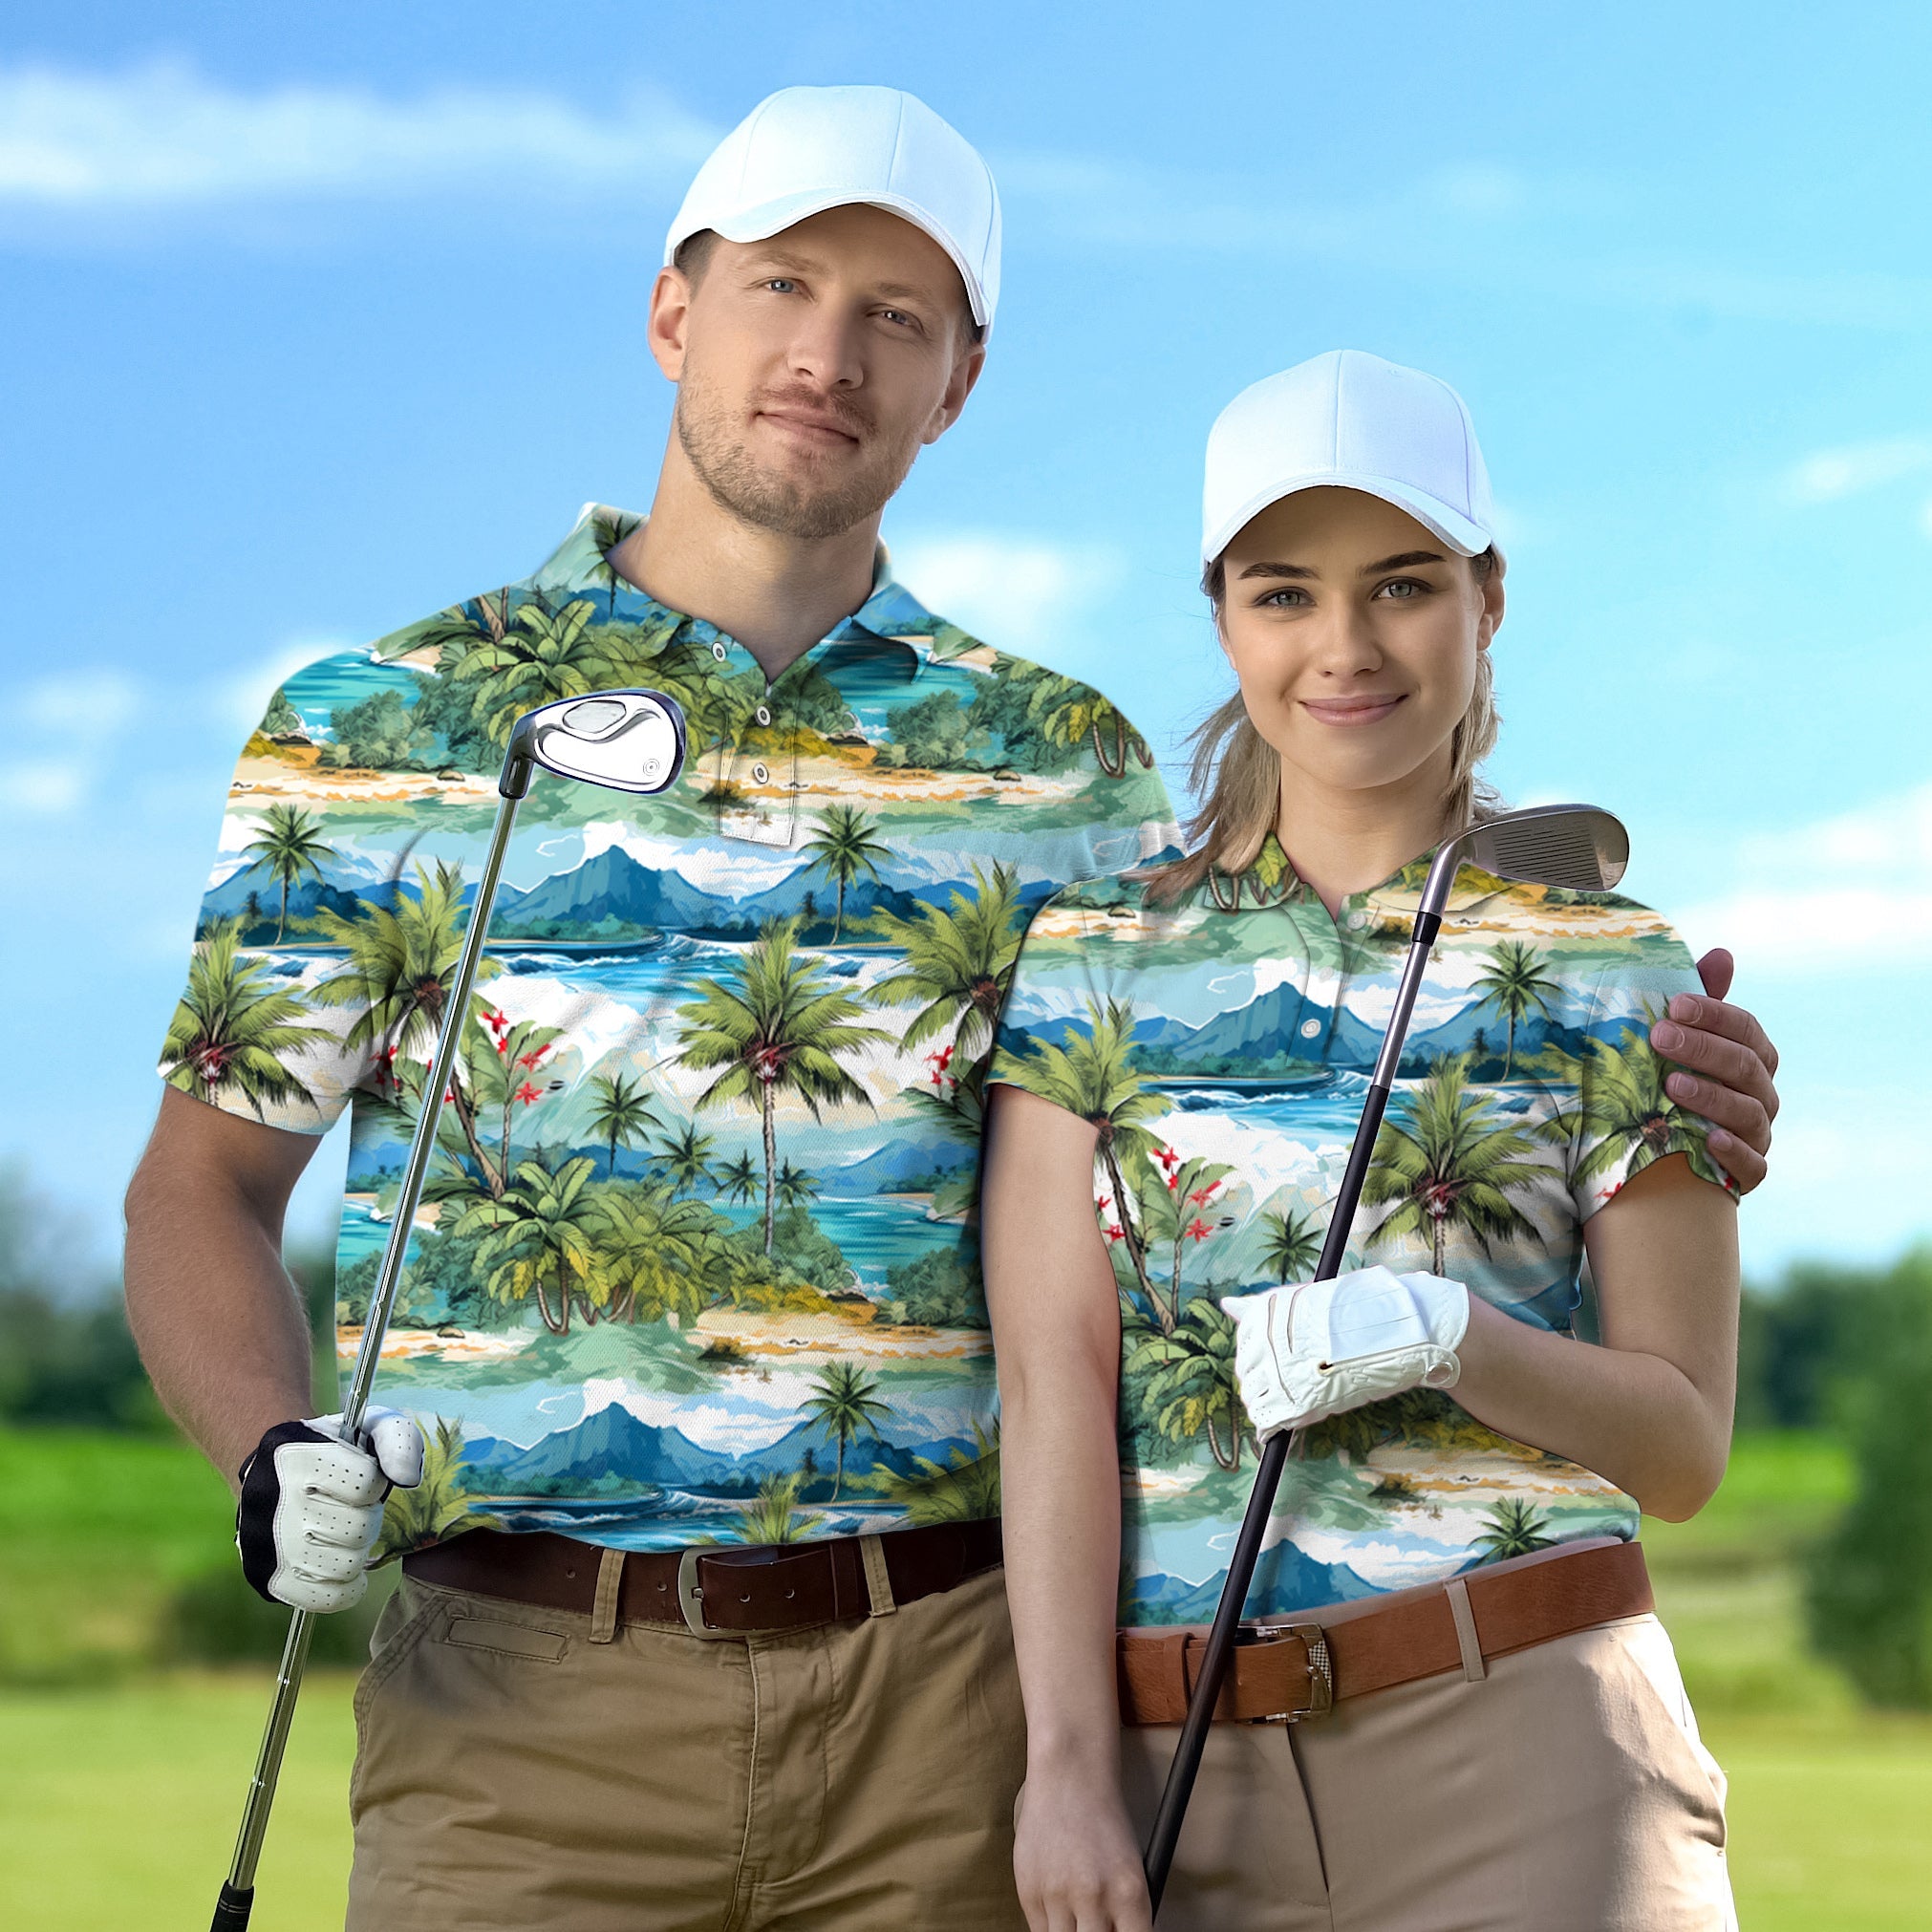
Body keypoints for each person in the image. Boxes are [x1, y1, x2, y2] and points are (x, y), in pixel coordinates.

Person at [118, 80, 1778, 1928]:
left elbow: (1257, 1076)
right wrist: (269, 1452)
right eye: (781, 286)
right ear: (674, 309)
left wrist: (1648, 1065)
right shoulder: (378, 726)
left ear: (959, 378)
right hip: (511, 1704)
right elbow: (201, 1190)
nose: (827, 353)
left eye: (894, 316)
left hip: (948, 1701)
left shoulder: (1060, 766)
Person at [984, 351, 1751, 1930]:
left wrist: (1442, 1334)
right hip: (1179, 1770)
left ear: (1485, 598)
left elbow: (1678, 1449)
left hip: (1531, 1735)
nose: (1342, 647)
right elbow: (1052, 1383)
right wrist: (1062, 1762)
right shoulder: (1091, 961)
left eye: (1400, 585)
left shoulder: (1612, 961)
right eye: (1283, 594)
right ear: (1220, 616)